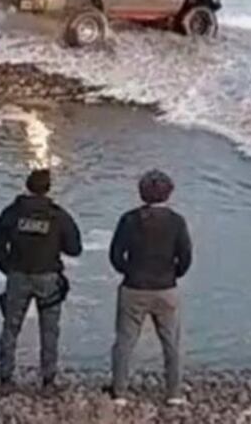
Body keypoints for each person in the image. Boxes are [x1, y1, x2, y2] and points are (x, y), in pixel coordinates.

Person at [107, 169, 193, 406]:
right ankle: (174, 392)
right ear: (169, 193)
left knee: (125, 341)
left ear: (141, 192)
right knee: (171, 342)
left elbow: (115, 254)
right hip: (165, 286)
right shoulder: (176, 221)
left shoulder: (129, 219)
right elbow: (185, 255)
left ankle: (120, 392)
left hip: (134, 285)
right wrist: (174, 274)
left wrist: (128, 270)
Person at [0, 168, 82, 393]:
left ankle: (5, 379)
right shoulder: (57, 215)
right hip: (48, 277)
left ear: (27, 186)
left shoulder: (12, 213)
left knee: (11, 327)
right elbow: (74, 248)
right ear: (48, 188)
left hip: (18, 275)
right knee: (49, 330)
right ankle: (48, 381)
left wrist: (6, 267)